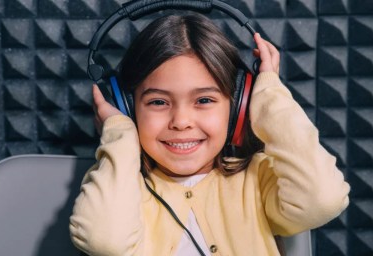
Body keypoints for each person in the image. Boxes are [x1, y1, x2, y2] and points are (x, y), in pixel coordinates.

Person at [69, 13, 350, 256]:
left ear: (239, 105)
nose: (181, 122)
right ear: (127, 108)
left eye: (204, 100)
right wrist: (120, 136)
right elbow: (103, 240)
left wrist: (268, 96)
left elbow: (323, 199)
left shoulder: (258, 180)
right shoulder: (121, 186)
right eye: (158, 102)